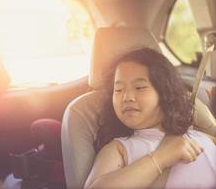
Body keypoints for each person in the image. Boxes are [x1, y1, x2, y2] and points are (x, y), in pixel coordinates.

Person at [84, 48, 216, 188]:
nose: (126, 97)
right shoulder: (119, 148)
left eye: (139, 87)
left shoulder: (201, 137)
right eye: (118, 90)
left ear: (166, 92)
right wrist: (161, 158)